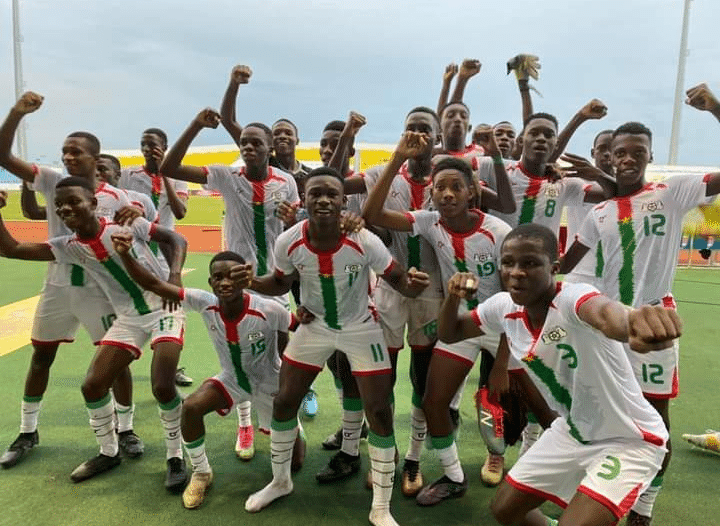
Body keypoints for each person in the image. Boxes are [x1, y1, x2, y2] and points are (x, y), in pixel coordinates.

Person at [437, 223, 678, 526]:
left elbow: (605, 314)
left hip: (629, 439)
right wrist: (452, 296)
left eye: (530, 263)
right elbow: (449, 332)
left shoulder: (571, 298)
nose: (516, 272)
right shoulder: (503, 307)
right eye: (508, 262)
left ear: (554, 267)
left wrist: (633, 325)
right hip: (574, 431)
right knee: (505, 510)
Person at [237, 166, 429, 526]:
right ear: (304, 199)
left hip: (361, 328)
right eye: (315, 194)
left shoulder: (364, 239)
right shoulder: (289, 241)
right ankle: (280, 482)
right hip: (315, 328)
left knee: (380, 410)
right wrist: (254, 282)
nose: (323, 199)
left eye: (332, 194)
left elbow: (399, 279)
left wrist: (414, 283)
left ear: (344, 201)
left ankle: (381, 507)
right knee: (284, 400)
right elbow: (280, 283)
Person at [561, 96, 720, 524]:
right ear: (609, 158)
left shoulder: (672, 192)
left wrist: (715, 108)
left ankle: (644, 509)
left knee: (656, 418)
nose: (628, 159)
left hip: (654, 321)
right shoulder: (600, 213)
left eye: (638, 152)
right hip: (609, 325)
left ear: (650, 156)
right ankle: (593, 489)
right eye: (620, 153)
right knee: (597, 411)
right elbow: (566, 263)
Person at [0, 176, 189, 489]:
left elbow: (176, 239)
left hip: (164, 308)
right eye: (59, 204)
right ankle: (108, 451)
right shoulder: (69, 247)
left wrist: (176, 275)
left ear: (92, 203)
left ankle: (175, 456)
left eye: (73, 201)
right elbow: (13, 248)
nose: (65, 208)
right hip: (128, 318)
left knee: (162, 386)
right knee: (92, 385)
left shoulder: (125, 226)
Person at [0, 92, 145, 468]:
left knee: (116, 364)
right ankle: (28, 430)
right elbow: (4, 157)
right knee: (41, 357)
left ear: (95, 159)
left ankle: (126, 429)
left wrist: (139, 210)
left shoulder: (117, 196)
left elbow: (142, 230)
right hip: (59, 285)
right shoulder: (52, 181)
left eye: (75, 152)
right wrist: (16, 114)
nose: (67, 157)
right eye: (65, 151)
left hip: (101, 292)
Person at [363, 149, 512, 506]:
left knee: (515, 402)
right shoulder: (430, 222)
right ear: (431, 194)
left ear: (472, 191)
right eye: (440, 188)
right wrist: (398, 157)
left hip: (503, 326)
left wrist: (503, 363)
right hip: (461, 325)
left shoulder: (498, 232)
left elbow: (514, 303)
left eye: (456, 187)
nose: (447, 195)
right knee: (433, 402)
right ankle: (455, 477)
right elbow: (371, 213)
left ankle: (512, 463)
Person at [110, 240, 306, 509]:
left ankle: (295, 430)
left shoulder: (270, 309)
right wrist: (125, 255)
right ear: (210, 282)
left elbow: (301, 328)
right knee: (191, 407)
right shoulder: (205, 303)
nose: (225, 283)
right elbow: (156, 285)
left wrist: (292, 378)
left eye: (232, 276)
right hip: (232, 379)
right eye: (218, 277)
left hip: (269, 384)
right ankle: (201, 473)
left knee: (295, 464)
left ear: (244, 279)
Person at [160, 106, 299, 461]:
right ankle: (245, 423)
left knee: (281, 356)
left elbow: (294, 229)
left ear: (270, 148)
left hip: (273, 284)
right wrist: (194, 125)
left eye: (256, 142)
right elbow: (170, 168)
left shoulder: (286, 182)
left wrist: (292, 218)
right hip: (234, 283)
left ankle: (284, 418)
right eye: (245, 143)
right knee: (235, 353)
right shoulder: (226, 175)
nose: (249, 147)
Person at [116, 128, 193, 389]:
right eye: (144, 144)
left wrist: (166, 173)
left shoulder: (177, 176)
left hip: (165, 251)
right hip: (136, 249)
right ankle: (120, 360)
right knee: (130, 306)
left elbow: (181, 212)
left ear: (165, 147)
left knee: (172, 309)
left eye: (154, 145)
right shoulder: (128, 175)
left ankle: (171, 368)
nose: (148, 149)